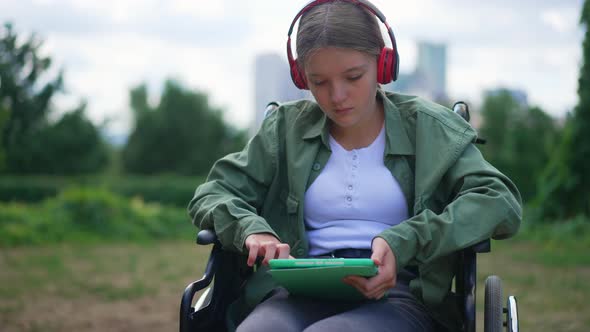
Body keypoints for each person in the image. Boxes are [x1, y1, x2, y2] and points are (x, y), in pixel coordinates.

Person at [188, 0, 522, 331]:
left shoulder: (429, 128)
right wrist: (251, 229)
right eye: (319, 82)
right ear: (302, 78)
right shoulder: (284, 130)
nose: (337, 96)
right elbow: (214, 193)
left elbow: (499, 201)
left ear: (383, 63)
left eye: (353, 76)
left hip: (399, 295)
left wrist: (406, 240)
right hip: (295, 289)